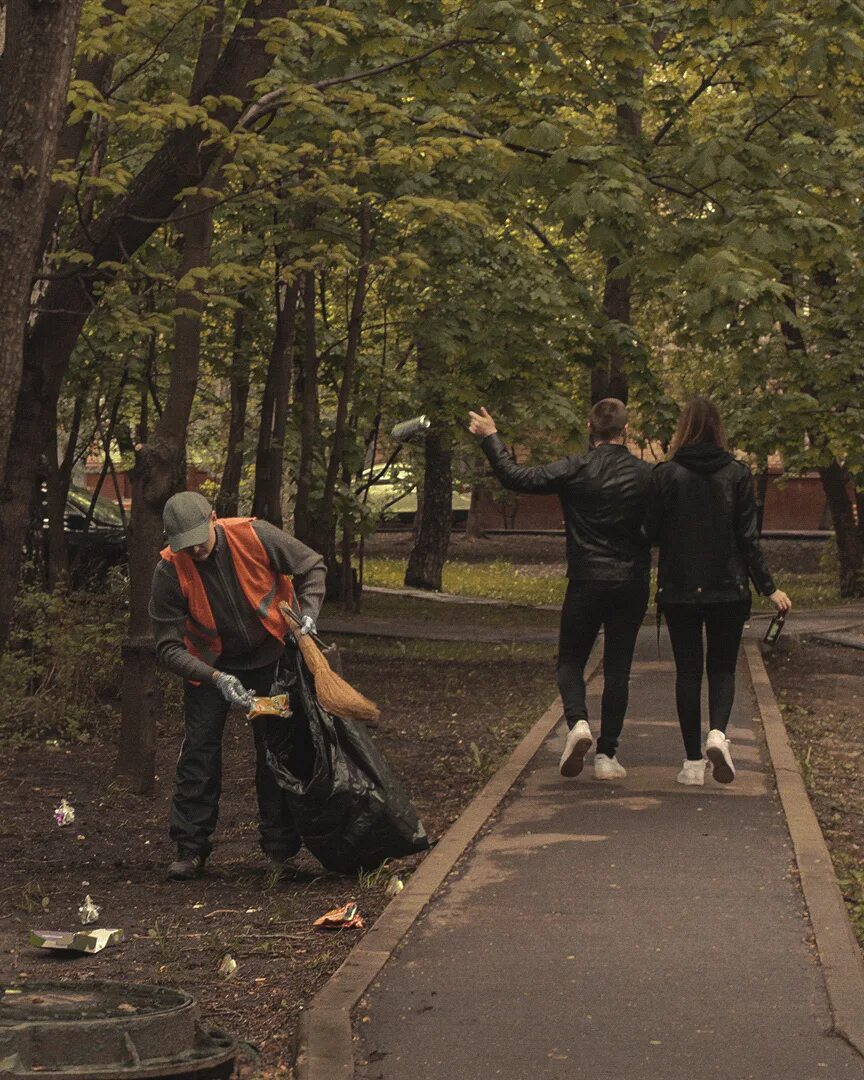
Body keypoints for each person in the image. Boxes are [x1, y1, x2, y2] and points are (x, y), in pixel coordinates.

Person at [468, 400, 652, 780]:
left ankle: (578, 723)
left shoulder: (574, 467)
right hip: (631, 581)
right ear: (626, 431)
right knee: (618, 668)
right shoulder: (646, 475)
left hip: (585, 579)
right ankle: (607, 756)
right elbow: (662, 525)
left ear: (589, 427)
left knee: (570, 659)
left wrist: (491, 438)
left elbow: (516, 478)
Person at [149, 491, 326, 880]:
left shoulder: (255, 535)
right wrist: (216, 678)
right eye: (184, 545)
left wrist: (308, 615)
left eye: (199, 539)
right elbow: (166, 647)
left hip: (270, 660)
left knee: (274, 750)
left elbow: (312, 565)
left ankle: (280, 851)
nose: (194, 550)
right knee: (199, 752)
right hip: (209, 667)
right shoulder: (168, 571)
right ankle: (190, 849)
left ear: (213, 518)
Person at [643, 398, 791, 786]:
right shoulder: (737, 474)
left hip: (678, 590)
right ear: (718, 429)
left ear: (684, 428)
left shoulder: (666, 475)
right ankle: (718, 735)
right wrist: (769, 588)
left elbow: (651, 532)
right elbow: (747, 537)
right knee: (723, 668)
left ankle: (692, 762)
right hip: (729, 589)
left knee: (688, 672)